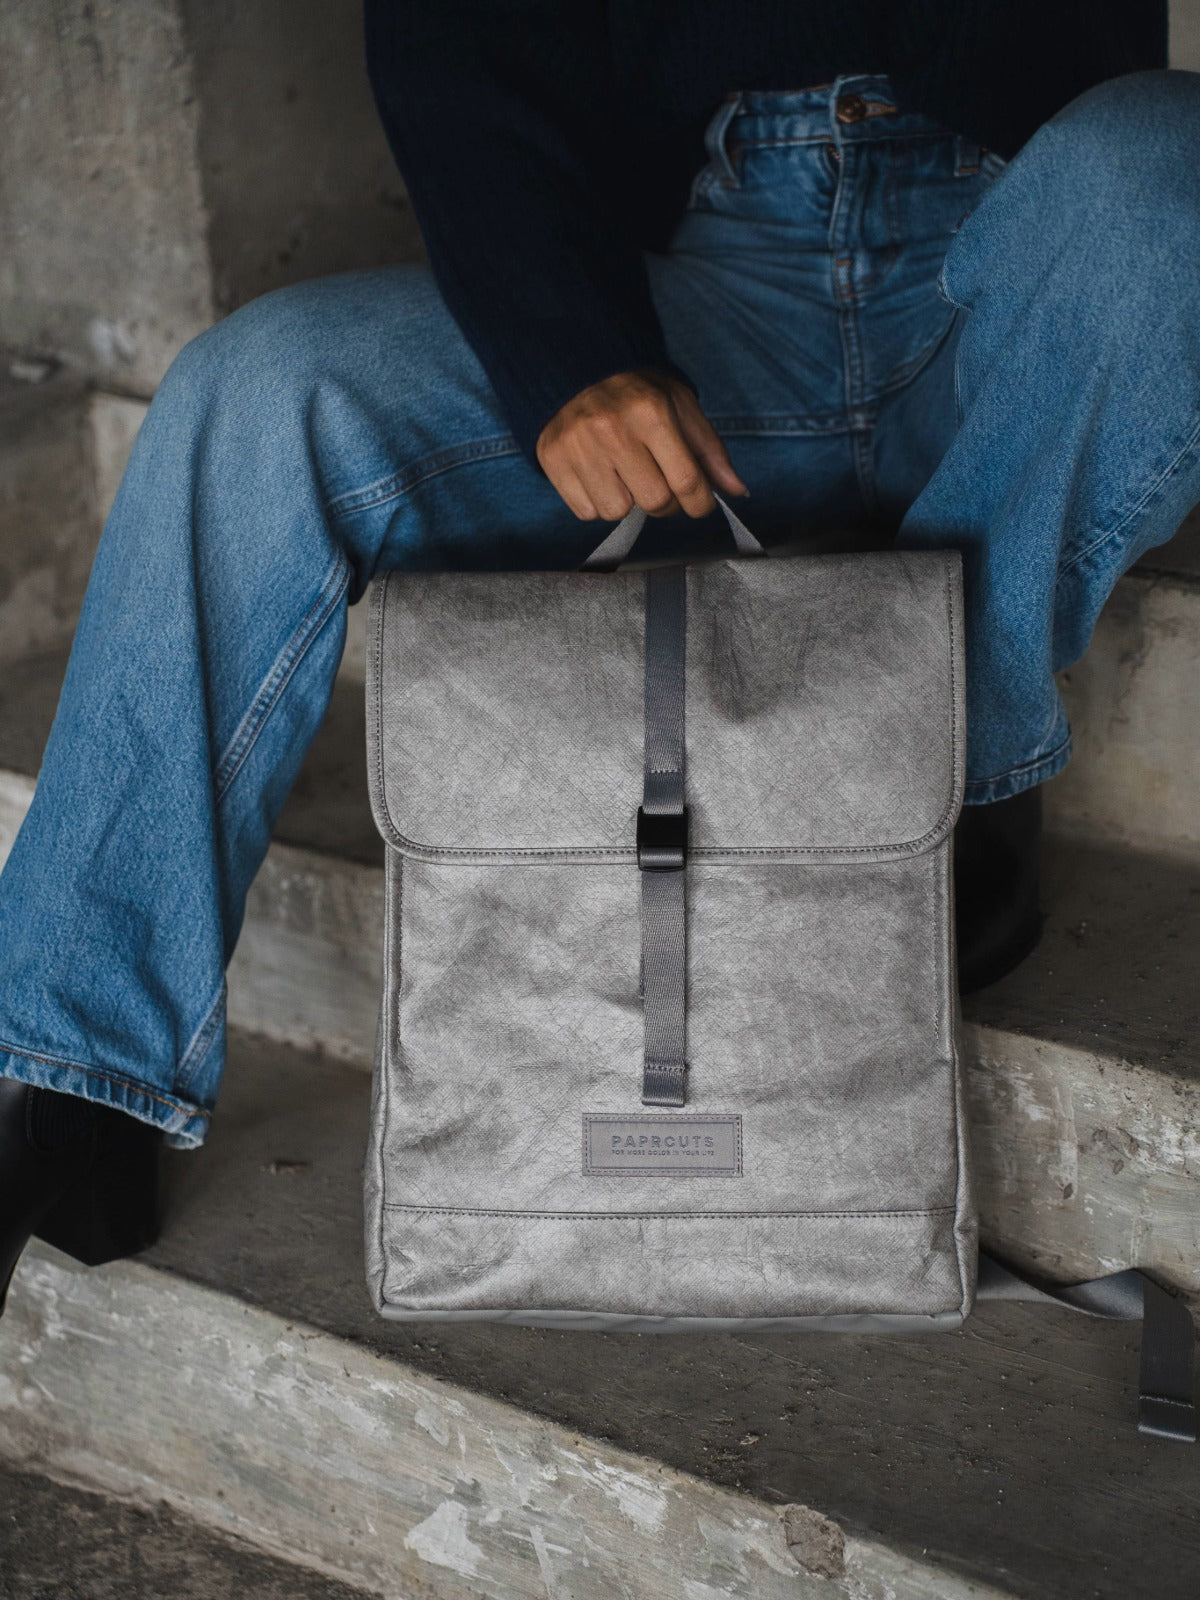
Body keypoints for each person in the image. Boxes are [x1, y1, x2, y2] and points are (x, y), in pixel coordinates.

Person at [1, 3, 1197, 1312]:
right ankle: (70, 1080)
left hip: (1034, 276)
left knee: (1174, 163)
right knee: (256, 392)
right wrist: (570, 349)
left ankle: (950, 762)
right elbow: (448, 35)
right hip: (705, 290)